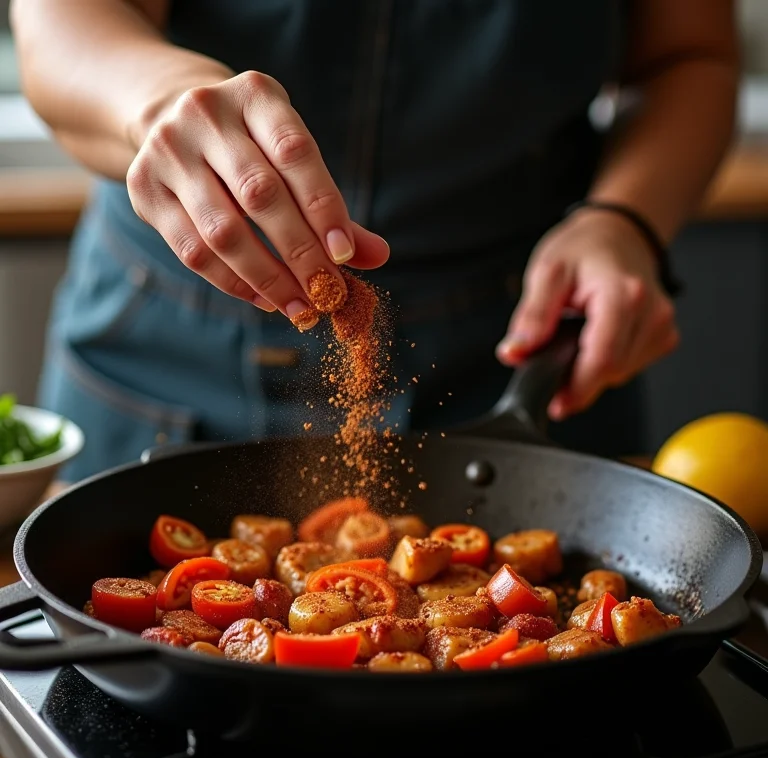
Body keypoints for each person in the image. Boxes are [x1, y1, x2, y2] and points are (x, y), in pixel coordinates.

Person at [11, 0, 738, 483]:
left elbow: (688, 54)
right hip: (170, 338)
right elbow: (62, 24)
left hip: (525, 346)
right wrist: (164, 99)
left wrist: (624, 219)